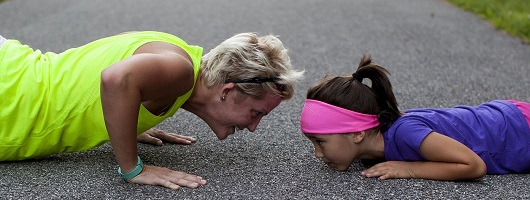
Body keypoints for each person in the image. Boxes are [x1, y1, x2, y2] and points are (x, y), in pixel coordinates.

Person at [0, 31, 304, 189]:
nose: (253, 127)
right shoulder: (180, 71)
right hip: (9, 96)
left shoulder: (178, 57)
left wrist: (125, 119)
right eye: (257, 113)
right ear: (228, 91)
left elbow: (100, 69)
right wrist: (133, 168)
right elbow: (115, 78)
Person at [299, 54, 530, 181]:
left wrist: (410, 169)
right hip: (511, 117)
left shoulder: (405, 133)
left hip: (524, 133)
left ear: (357, 133)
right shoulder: (373, 146)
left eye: (321, 142)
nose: (317, 153)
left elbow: (473, 165)